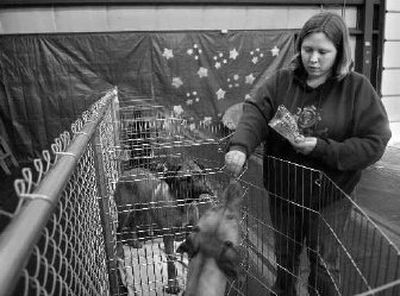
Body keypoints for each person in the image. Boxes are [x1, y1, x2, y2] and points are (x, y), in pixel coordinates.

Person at [224, 11, 391, 296]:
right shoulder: (281, 81)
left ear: (339, 53)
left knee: (324, 263)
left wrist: (323, 148)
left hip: (330, 197)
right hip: (284, 191)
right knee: (286, 256)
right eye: (307, 50)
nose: (313, 59)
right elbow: (255, 113)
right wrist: (240, 146)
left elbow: (375, 141)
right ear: (299, 47)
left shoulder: (357, 88)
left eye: (323, 52)